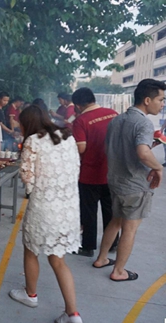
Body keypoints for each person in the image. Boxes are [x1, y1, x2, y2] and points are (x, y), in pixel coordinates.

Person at [8, 105, 83, 323]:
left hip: (44, 208)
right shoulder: (68, 136)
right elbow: (76, 168)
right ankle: (73, 314)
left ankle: (31, 295)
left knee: (31, 250)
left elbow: (27, 177)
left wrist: (32, 189)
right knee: (59, 261)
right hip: (68, 208)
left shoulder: (32, 141)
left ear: (27, 123)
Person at [92, 79, 165, 282]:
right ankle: (118, 271)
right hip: (134, 185)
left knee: (115, 221)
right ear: (147, 99)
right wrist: (157, 167)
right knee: (129, 228)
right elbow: (142, 153)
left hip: (115, 181)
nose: (163, 104)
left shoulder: (117, 120)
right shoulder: (143, 123)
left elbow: (114, 148)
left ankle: (101, 258)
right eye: (161, 99)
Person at [71, 87, 119, 257]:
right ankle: (112, 243)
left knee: (89, 211)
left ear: (77, 105)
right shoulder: (113, 114)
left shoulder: (81, 120)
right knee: (110, 210)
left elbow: (81, 147)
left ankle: (88, 246)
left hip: (90, 174)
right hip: (112, 172)